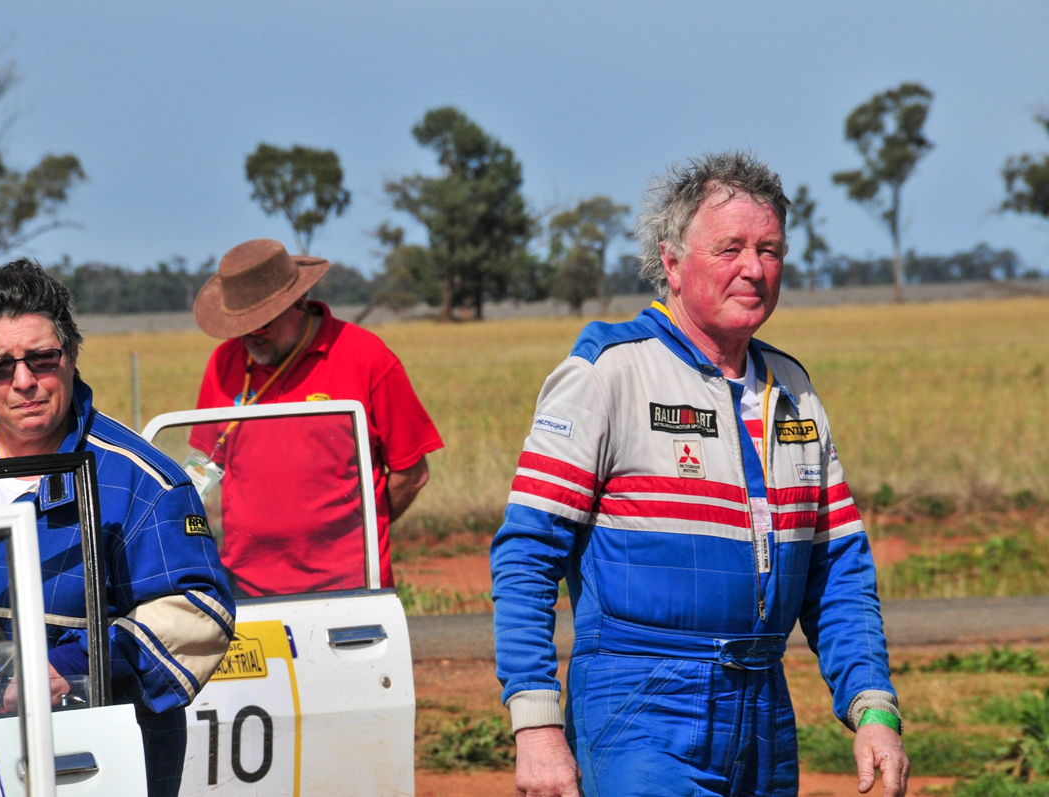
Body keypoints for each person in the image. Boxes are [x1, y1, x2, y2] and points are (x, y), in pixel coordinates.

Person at [491, 152, 909, 797]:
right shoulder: (610, 371)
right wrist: (537, 727)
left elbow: (839, 572)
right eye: (730, 248)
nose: (753, 268)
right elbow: (526, 554)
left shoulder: (793, 389)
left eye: (769, 249)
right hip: (639, 702)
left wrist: (872, 707)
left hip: (763, 705)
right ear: (672, 262)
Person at [0, 259, 235, 797]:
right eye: (0, 367)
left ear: (71, 356)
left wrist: (74, 665)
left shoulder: (139, 480)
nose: (24, 381)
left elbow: (200, 612)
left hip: (84, 765)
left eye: (41, 359)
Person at [190, 238, 443, 596]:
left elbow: (411, 474)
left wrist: (356, 531)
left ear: (298, 304)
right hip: (243, 588)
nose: (249, 338)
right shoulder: (224, 363)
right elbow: (204, 462)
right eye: (240, 327)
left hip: (349, 586)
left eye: (261, 325)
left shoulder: (366, 357)